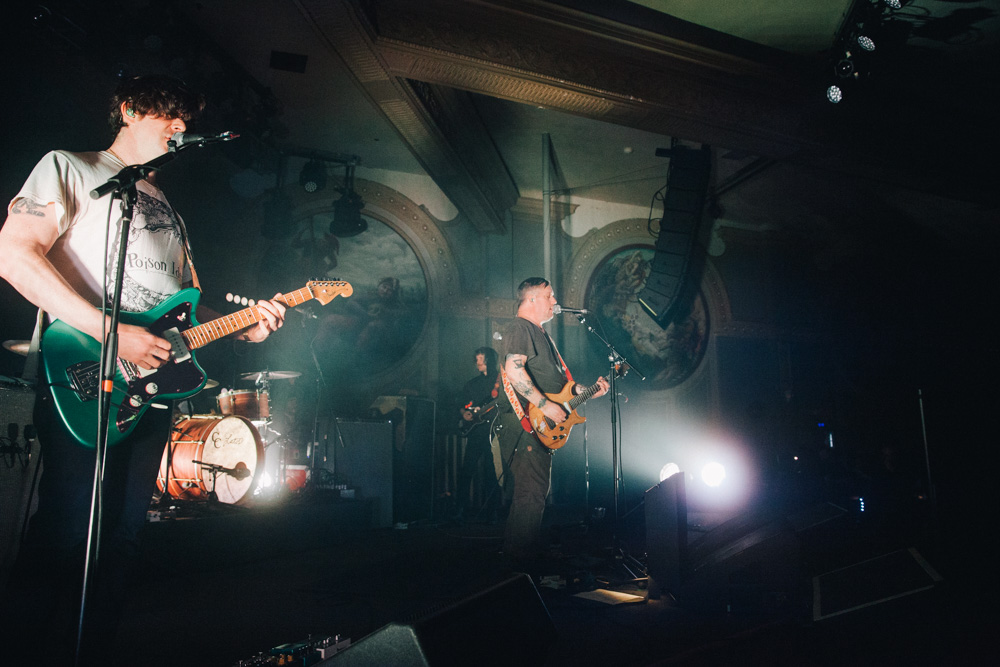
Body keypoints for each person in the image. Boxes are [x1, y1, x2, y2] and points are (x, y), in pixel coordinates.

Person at [0, 74, 286, 665]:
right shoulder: (71, 168)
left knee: (125, 537)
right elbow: (13, 255)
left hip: (151, 390)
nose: (181, 133)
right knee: (68, 527)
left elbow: (181, 309)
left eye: (187, 125)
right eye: (169, 121)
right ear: (130, 111)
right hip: (87, 370)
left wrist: (246, 325)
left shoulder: (167, 208)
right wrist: (113, 333)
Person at [496, 277, 609, 567]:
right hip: (527, 424)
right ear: (532, 299)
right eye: (550, 296)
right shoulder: (521, 328)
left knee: (532, 494)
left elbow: (558, 388)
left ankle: (517, 563)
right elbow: (513, 370)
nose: (555, 302)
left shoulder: (541, 333)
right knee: (531, 494)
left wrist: (588, 392)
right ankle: (518, 570)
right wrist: (545, 405)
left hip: (539, 422)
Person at [454, 346, 502, 521]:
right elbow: (461, 402)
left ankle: (493, 512)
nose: (477, 362)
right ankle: (460, 510)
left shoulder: (501, 381)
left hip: (493, 433)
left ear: (488, 359)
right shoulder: (472, 383)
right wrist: (463, 412)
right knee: (467, 471)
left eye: (480, 358)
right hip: (475, 433)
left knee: (492, 473)